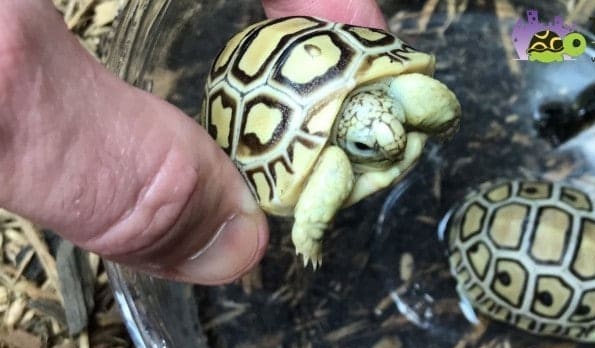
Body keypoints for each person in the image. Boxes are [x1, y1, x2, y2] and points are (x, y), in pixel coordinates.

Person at [0, 0, 387, 284]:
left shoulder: (382, 110)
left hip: (319, 69)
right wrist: (310, 237)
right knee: (333, 169)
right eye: (369, 148)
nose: (395, 147)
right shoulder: (332, 162)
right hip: (261, 110)